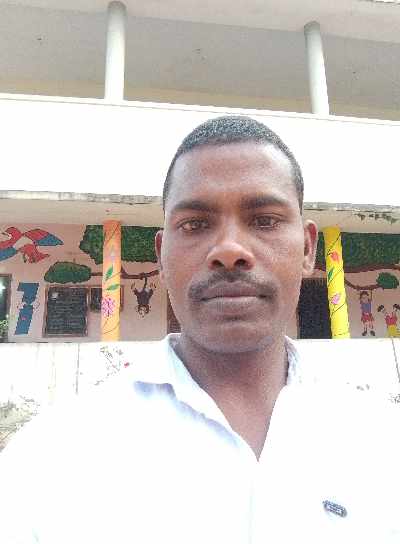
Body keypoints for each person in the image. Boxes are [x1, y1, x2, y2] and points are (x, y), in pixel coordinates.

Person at [0, 116, 399, 543]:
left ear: (307, 249)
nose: (229, 251)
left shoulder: (383, 441)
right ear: (161, 254)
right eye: (195, 224)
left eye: (264, 220)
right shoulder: (50, 457)